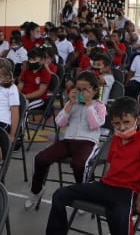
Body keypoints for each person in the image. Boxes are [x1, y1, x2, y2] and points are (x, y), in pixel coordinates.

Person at [37, 98, 140, 235]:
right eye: (117, 124)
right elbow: (110, 166)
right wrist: (103, 188)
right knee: (60, 194)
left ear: (137, 120)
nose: (122, 127)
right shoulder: (115, 139)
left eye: (126, 122)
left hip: (127, 191)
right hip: (106, 185)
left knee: (121, 217)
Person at [26, 71, 105, 207]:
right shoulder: (71, 104)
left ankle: (85, 195)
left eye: (85, 89)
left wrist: (89, 105)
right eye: (78, 89)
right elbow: (59, 122)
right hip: (68, 140)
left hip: (88, 142)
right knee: (40, 158)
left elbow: (95, 125)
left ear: (94, 90)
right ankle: (36, 190)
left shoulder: (99, 106)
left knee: (79, 165)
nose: (81, 92)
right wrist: (69, 105)